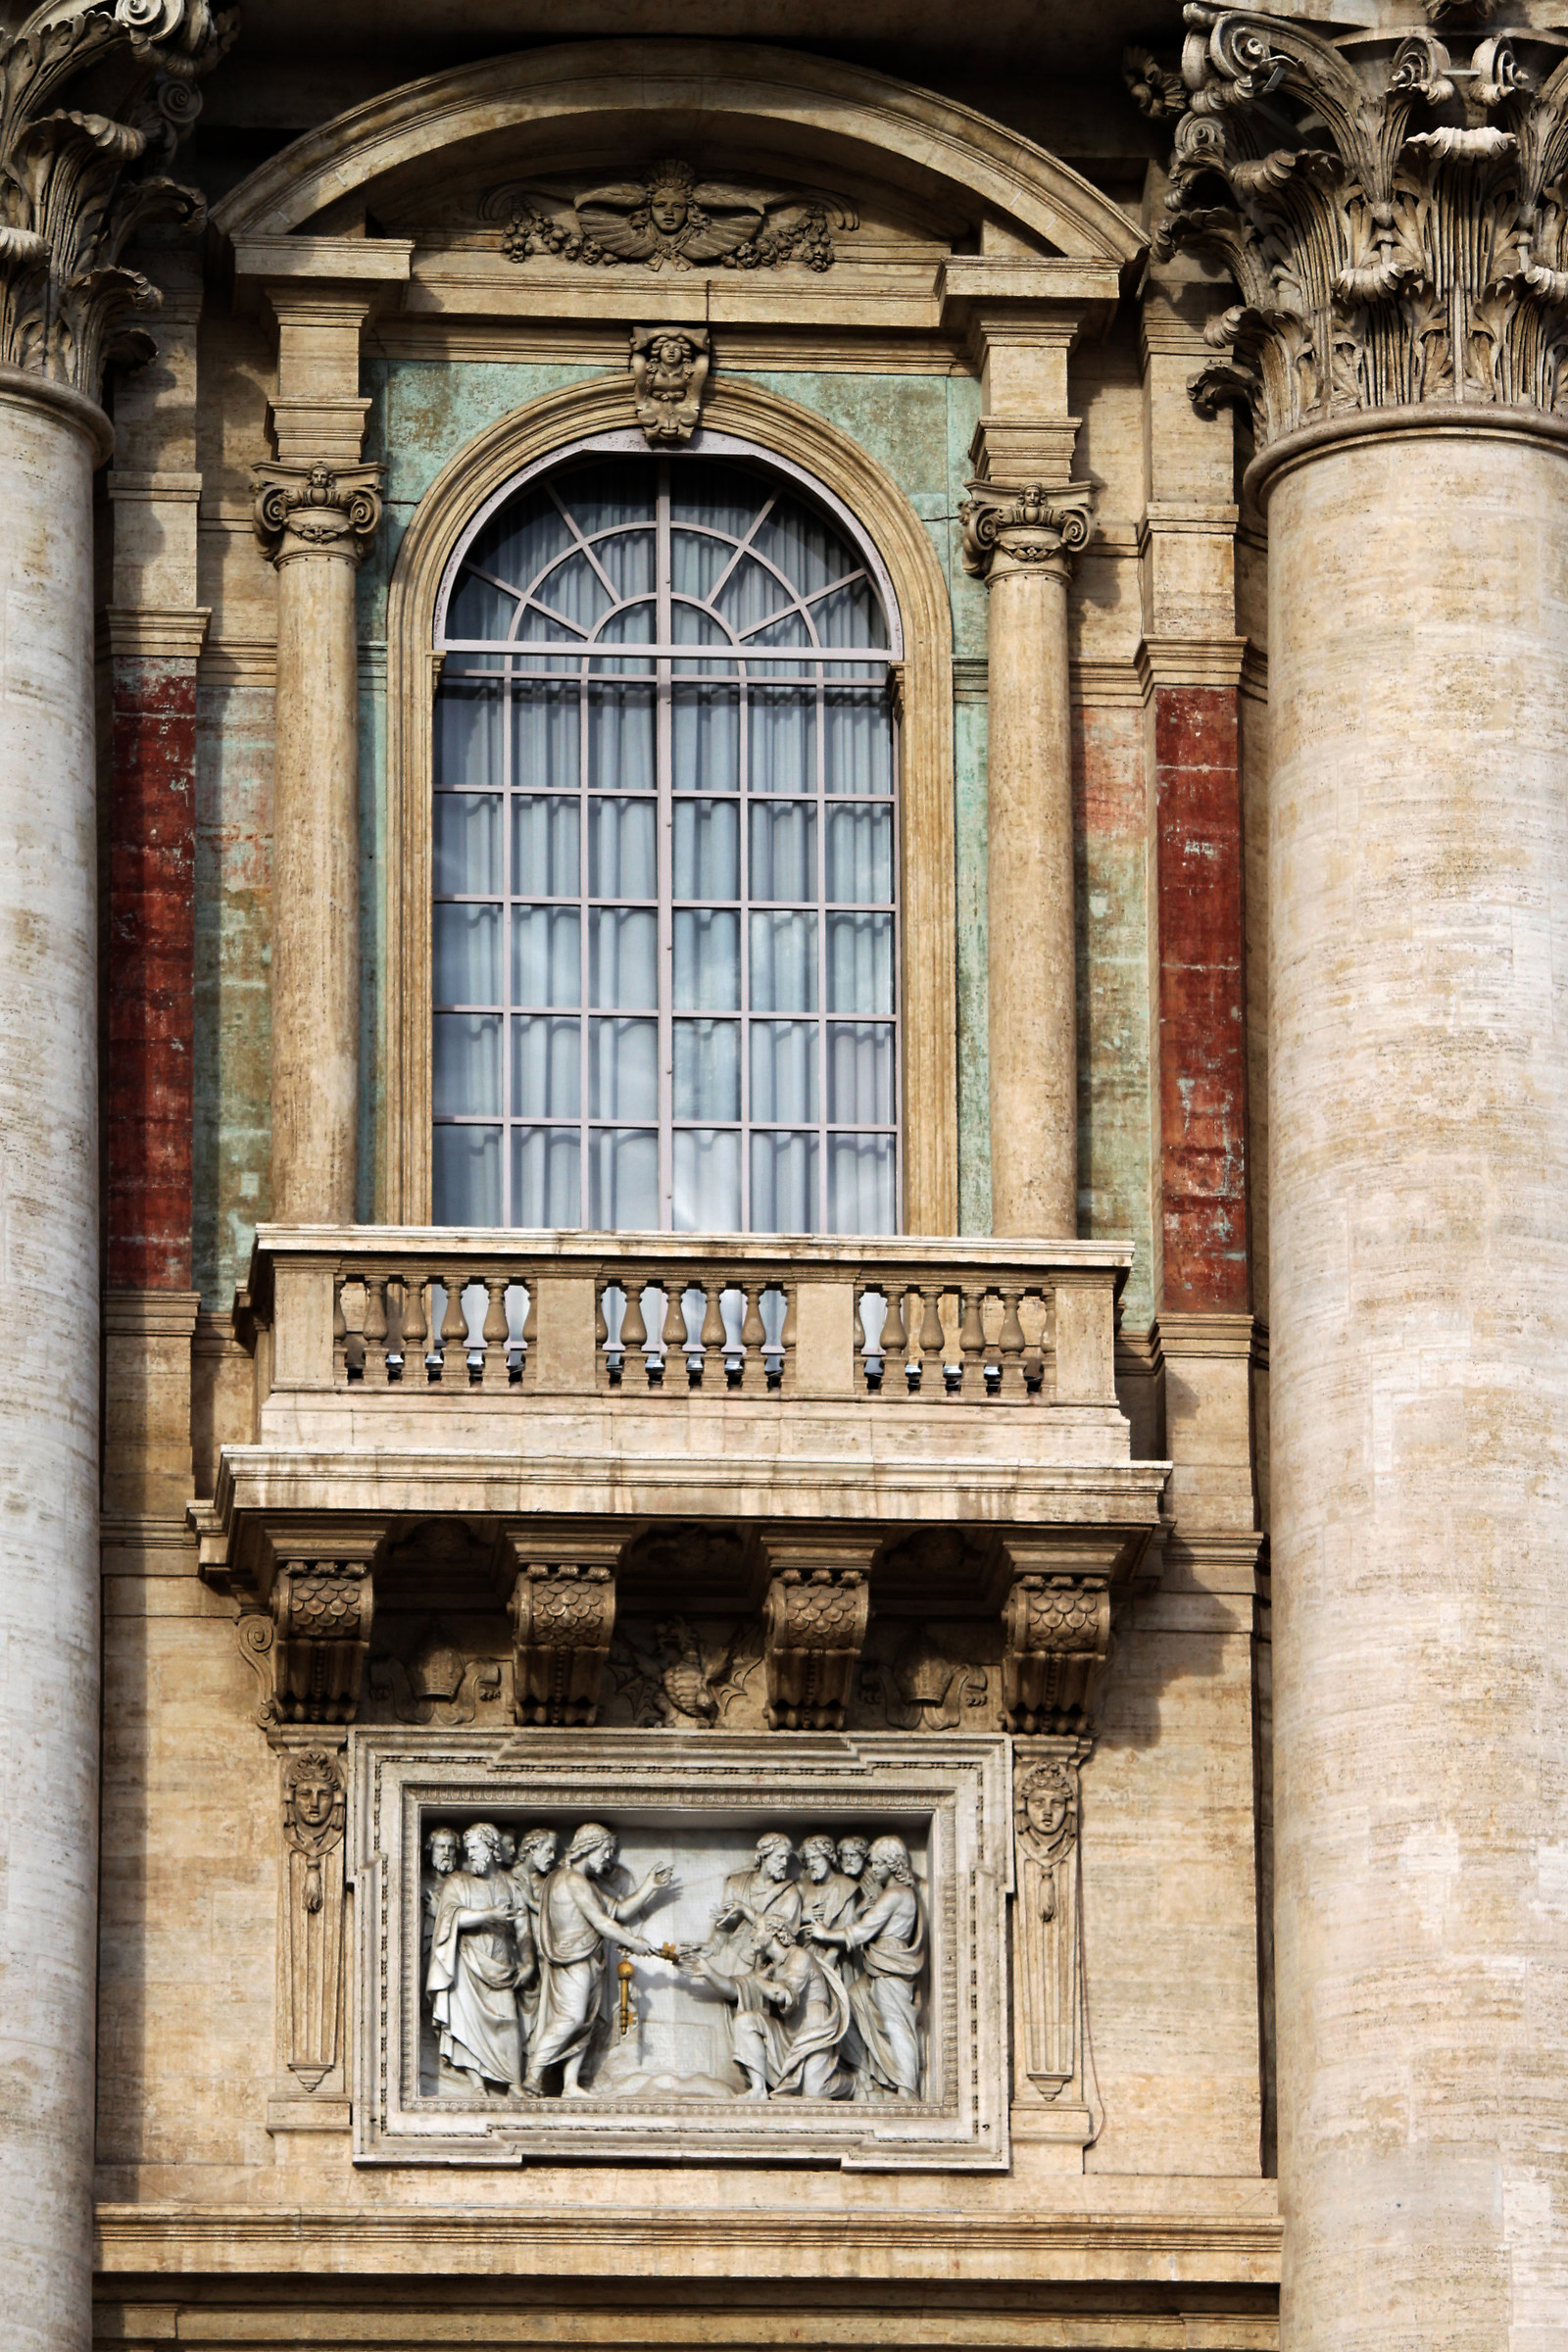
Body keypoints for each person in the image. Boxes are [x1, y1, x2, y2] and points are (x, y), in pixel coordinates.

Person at [523, 1824, 674, 2096]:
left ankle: (570, 2084)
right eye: (605, 1851)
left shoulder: (586, 1885)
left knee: (584, 2023)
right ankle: (533, 2075)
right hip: (573, 1958)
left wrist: (649, 1886)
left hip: (589, 1959)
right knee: (570, 2018)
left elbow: (620, 1911)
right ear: (589, 1846)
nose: (607, 1858)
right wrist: (633, 1943)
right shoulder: (570, 1879)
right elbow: (601, 1922)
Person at [808, 1833, 925, 2098]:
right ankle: (867, 2075)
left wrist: (825, 1933)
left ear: (891, 1863)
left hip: (890, 1966)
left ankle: (908, 2092)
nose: (872, 1869)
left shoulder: (895, 1894)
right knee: (849, 2005)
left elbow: (862, 1932)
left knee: (896, 2025)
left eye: (876, 1864)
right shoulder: (896, 1893)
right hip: (878, 1966)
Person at [684, 1921, 854, 2100]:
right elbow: (735, 1988)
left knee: (814, 2092)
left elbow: (781, 1994)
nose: (751, 1935)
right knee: (745, 2021)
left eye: (756, 1928)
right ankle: (758, 2089)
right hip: (787, 2032)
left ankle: (852, 2083)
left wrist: (759, 1981)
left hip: (814, 2029)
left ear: (774, 1931)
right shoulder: (769, 1967)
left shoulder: (799, 1957)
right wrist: (708, 1972)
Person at [425, 1822, 523, 2093]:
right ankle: (477, 2085)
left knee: (509, 2022)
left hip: (502, 1966)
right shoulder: (458, 1882)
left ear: (492, 1848)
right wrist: (489, 1915)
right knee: (466, 2023)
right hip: (467, 1963)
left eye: (475, 1848)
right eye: (467, 1849)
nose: (470, 1855)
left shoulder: (510, 1884)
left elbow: (523, 1927)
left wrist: (528, 1962)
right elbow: (450, 1917)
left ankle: (515, 2082)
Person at [708, 1831, 802, 1974]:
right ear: (764, 1857)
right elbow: (724, 1926)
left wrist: (745, 1910)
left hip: (769, 1968)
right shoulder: (736, 1883)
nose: (784, 1863)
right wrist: (711, 1946)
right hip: (733, 1962)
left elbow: (783, 1933)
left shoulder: (789, 1892)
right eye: (780, 1857)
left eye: (787, 1858)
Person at [507, 1827, 559, 2033]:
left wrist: (530, 1900)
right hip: (516, 1957)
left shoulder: (548, 1882)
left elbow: (560, 1916)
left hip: (545, 1958)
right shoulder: (510, 1878)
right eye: (549, 1850)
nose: (553, 1857)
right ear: (532, 1849)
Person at [420, 1824, 461, 1972]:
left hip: (453, 1950)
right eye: (441, 1847)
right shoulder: (420, 1881)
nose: (446, 1853)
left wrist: (439, 1913)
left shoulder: (460, 1882)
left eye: (451, 1848)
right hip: (426, 1946)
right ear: (430, 1849)